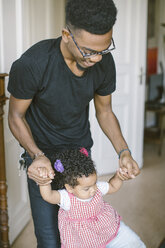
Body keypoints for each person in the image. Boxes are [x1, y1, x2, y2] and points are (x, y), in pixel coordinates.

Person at [7, 0, 140, 247]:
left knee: (85, 233)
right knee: (49, 238)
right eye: (89, 51)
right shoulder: (33, 64)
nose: (98, 59)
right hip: (42, 158)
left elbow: (105, 112)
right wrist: (36, 155)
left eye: (104, 49)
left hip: (79, 154)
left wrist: (124, 152)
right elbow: (15, 116)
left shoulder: (103, 63)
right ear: (67, 35)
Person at [39, 148, 146, 248]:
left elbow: (112, 187)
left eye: (94, 183)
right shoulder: (66, 198)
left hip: (108, 230)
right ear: (70, 188)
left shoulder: (96, 187)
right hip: (83, 241)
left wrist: (119, 177)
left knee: (134, 242)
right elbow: (48, 196)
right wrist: (44, 181)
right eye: (86, 189)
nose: (93, 190)